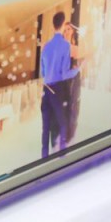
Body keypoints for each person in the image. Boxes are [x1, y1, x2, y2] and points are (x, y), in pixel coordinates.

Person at [39, 11, 79, 158]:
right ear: (63, 25)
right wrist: (78, 70)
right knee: (63, 123)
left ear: (53, 25)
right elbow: (64, 74)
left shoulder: (46, 46)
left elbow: (43, 72)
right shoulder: (65, 45)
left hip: (45, 90)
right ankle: (62, 156)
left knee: (46, 128)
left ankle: (44, 158)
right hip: (57, 90)